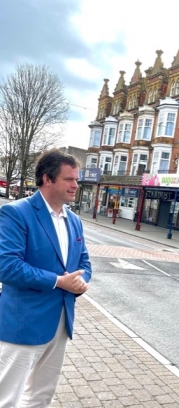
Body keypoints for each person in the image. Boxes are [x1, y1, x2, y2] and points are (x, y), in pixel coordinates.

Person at [0, 148, 92, 407]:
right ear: (47, 179)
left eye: (77, 179)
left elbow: (84, 262)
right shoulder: (17, 213)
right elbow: (6, 266)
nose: (76, 185)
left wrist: (81, 283)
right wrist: (58, 281)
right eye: (69, 179)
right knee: (7, 396)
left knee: (41, 396)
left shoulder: (74, 221)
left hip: (60, 322)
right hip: (24, 323)